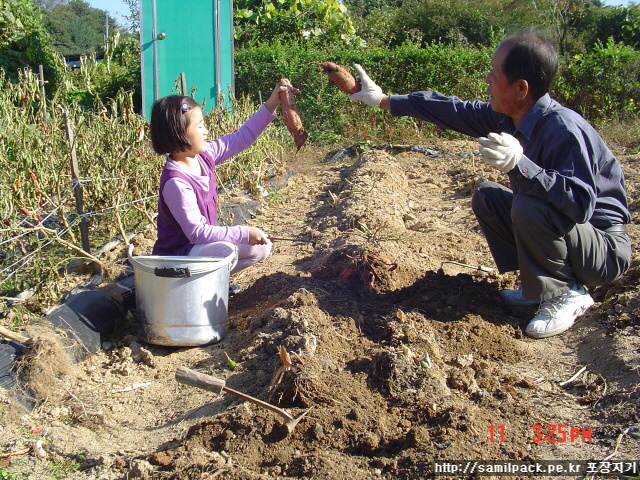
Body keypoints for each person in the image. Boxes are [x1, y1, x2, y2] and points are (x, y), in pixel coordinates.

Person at [348, 27, 632, 339]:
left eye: (495, 74)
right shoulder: (508, 117)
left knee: (528, 205)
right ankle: (538, 285)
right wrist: (386, 101)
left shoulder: (562, 129)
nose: (487, 80)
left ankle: (567, 292)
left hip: (602, 251)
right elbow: (453, 110)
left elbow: (580, 205)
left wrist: (522, 165)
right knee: (488, 196)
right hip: (572, 239)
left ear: (520, 88)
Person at [150, 81, 288, 291]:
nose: (206, 130)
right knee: (226, 251)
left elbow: (241, 138)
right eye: (199, 126)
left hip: (197, 250)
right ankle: (203, 288)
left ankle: (207, 282)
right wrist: (243, 232)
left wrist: (271, 104)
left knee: (261, 248)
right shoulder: (176, 181)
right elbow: (197, 233)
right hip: (176, 256)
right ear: (178, 132)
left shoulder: (205, 156)